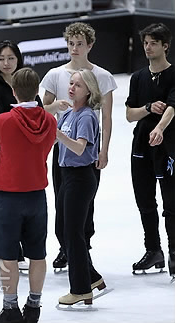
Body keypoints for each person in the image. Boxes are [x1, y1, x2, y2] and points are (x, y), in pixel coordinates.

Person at [40, 22, 117, 270]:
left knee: (85, 199)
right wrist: (57, 107)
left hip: (87, 147)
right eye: (71, 43)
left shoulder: (102, 77)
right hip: (62, 149)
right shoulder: (55, 75)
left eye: (79, 44)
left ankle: (83, 247)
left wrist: (104, 149)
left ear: (90, 45)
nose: (74, 48)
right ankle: (66, 246)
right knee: (62, 200)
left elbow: (106, 116)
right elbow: (43, 111)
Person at [0, 67, 56, 323]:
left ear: (13, 91)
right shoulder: (50, 120)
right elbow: (47, 148)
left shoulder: (2, 121)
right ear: (37, 91)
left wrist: (0, 149)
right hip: (37, 194)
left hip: (8, 196)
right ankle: (34, 306)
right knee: (37, 253)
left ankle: (10, 308)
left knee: (8, 255)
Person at [0, 40, 44, 275]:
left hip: (24, 152)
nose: (7, 63)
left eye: (11, 58)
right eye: (2, 59)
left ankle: (15, 253)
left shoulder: (25, 83)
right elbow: (1, 121)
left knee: (18, 203)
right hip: (1, 151)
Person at [125, 23, 175, 279]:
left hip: (168, 148)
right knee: (145, 202)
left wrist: (161, 128)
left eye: (153, 43)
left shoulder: (174, 74)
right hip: (141, 146)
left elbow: (172, 106)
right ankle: (153, 250)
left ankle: (174, 254)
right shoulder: (137, 78)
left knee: (171, 204)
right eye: (145, 43)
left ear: (165, 46)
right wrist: (147, 108)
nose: (148, 47)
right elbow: (129, 114)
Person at [55, 69, 105, 306]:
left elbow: (79, 148)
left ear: (89, 92)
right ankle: (92, 277)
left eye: (78, 85)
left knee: (73, 233)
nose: (72, 88)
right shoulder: (68, 114)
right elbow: (55, 139)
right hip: (67, 176)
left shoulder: (86, 116)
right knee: (64, 230)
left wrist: (55, 133)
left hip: (81, 177)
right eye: (71, 83)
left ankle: (81, 289)